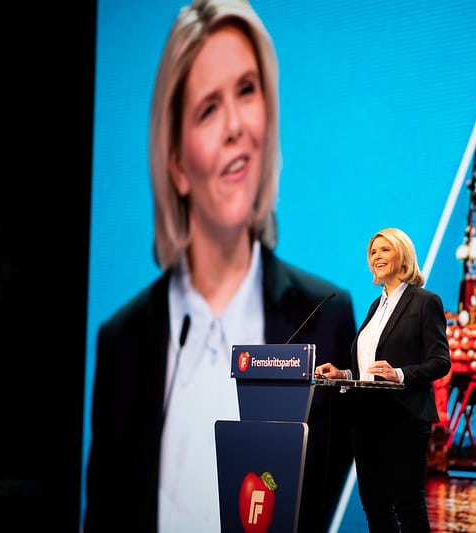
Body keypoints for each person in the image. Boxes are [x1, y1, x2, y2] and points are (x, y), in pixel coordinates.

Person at [83, 1, 356, 531]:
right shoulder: (123, 344)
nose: (235, 125)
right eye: (208, 109)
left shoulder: (327, 320)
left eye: (247, 90)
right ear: (177, 165)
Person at [315, 227, 452, 532]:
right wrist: (344, 375)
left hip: (404, 419)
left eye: (384, 249)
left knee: (408, 506)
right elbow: (369, 369)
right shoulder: (376, 307)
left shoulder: (425, 302)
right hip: (366, 419)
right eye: (373, 252)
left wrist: (398, 374)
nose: (376, 256)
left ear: (402, 255)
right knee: (375, 508)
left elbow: (441, 362)